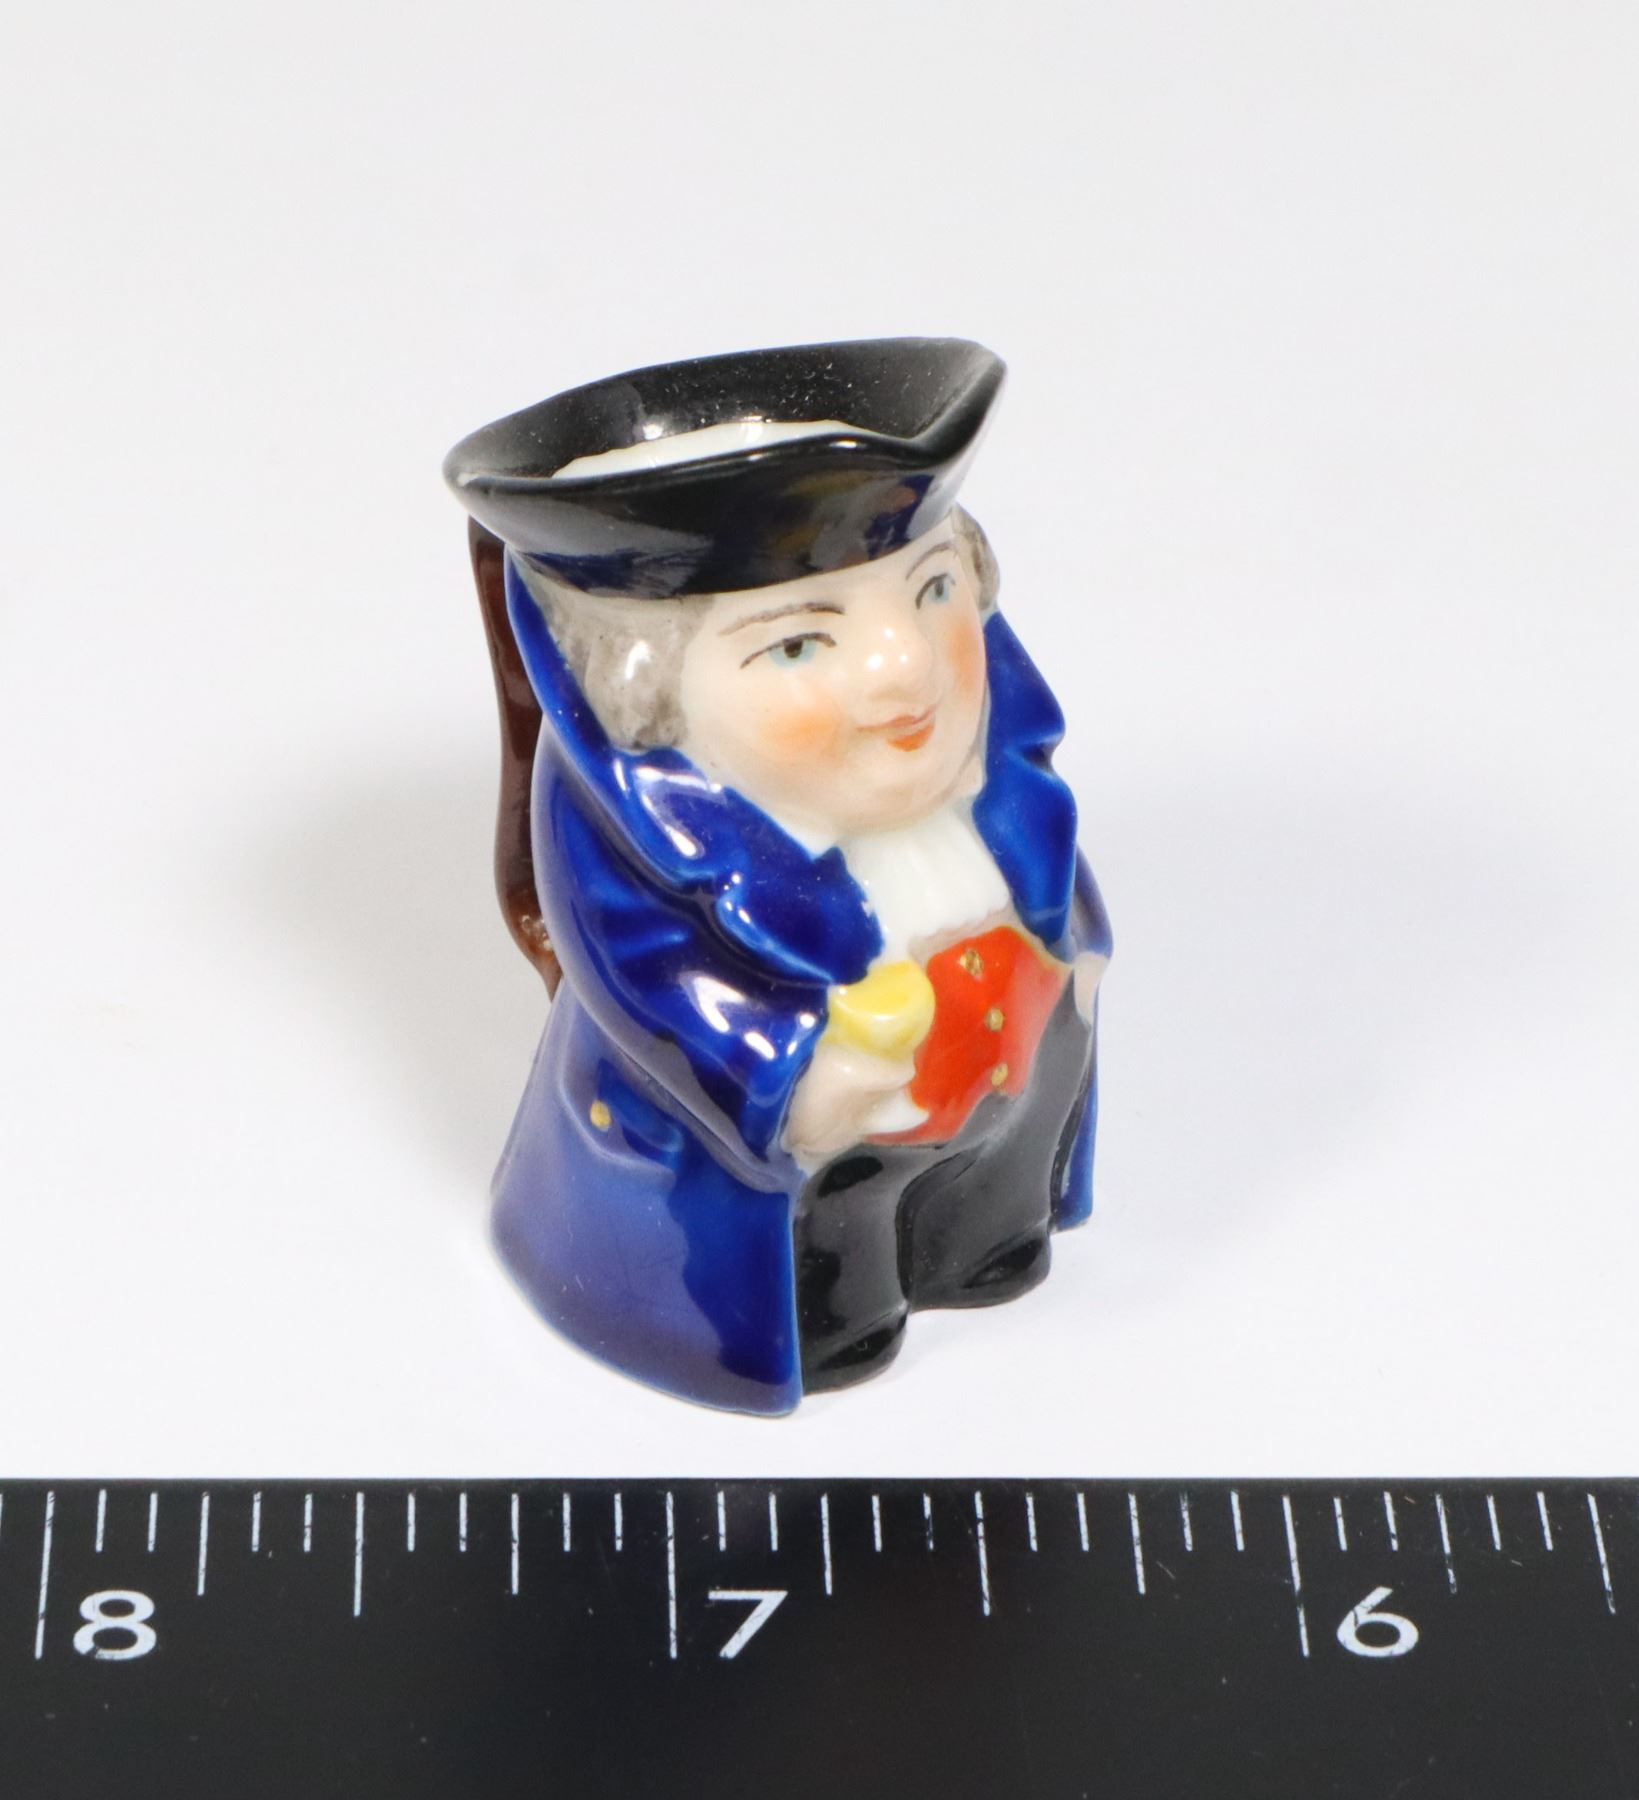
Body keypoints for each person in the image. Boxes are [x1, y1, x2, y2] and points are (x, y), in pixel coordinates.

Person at [447, 338, 1111, 1414]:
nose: (905, 666)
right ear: (654, 697)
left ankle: (984, 1238)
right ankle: (834, 1315)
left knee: (994, 1180)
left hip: (1004, 1063)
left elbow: (1046, 854)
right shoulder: (639, 836)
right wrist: (797, 1076)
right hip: (810, 1118)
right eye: (800, 646)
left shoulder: (996, 765)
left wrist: (1077, 953)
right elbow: (653, 980)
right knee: (835, 1234)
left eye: (933, 589)